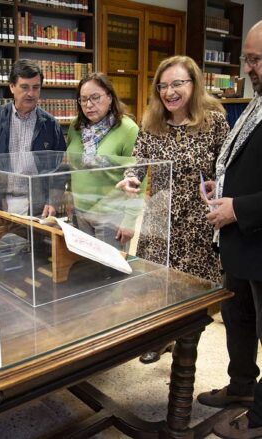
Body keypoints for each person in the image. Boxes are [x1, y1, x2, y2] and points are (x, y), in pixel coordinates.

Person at [116, 55, 229, 363]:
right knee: (156, 285)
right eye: (163, 86)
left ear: (194, 84)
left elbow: (226, 166)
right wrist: (130, 178)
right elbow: (137, 163)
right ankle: (161, 338)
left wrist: (218, 185)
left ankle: (184, 355)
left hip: (197, 224)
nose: (169, 92)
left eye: (177, 83)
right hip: (159, 222)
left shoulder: (214, 121)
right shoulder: (152, 121)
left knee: (192, 294)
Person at [196, 21, 262, 439]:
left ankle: (260, 418)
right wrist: (220, 187)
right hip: (239, 244)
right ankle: (241, 386)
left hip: (257, 237)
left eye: (256, 60)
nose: (248, 69)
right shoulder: (256, 103)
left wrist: (238, 207)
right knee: (238, 319)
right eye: (246, 59)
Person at [0, 58, 66, 217]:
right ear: (12, 87)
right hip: (0, 205)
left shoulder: (51, 124)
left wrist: (53, 200)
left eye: (36, 87)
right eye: (24, 87)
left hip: (38, 207)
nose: (31, 93)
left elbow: (60, 169)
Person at [67, 72, 139, 249]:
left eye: (95, 97)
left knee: (110, 266)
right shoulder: (75, 127)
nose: (89, 104)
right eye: (83, 99)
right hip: (80, 210)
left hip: (111, 215)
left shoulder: (128, 129)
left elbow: (139, 178)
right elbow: (72, 166)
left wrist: (130, 220)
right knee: (86, 263)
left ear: (110, 97)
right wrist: (69, 198)